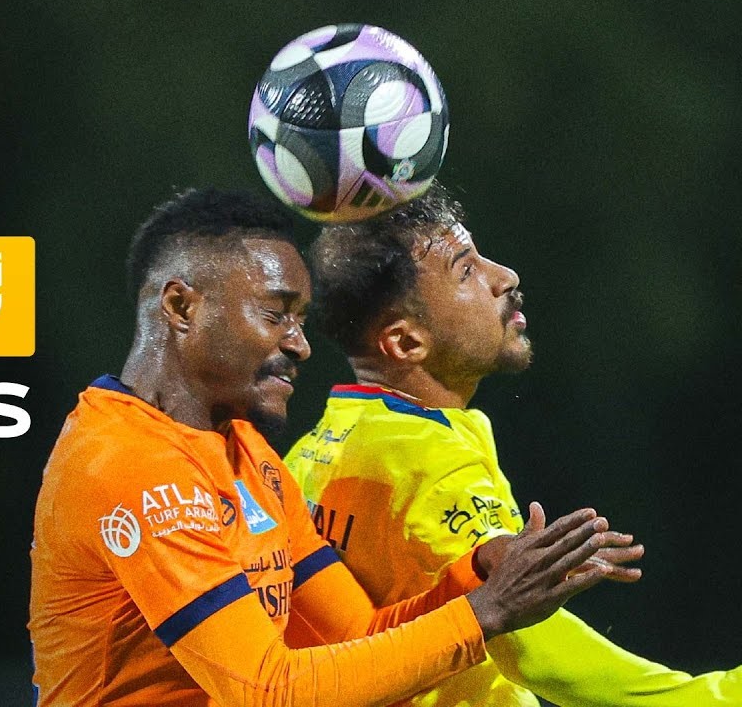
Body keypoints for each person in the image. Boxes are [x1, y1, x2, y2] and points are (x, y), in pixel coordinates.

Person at [28, 187, 632, 706]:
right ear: (182, 306)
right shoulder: (129, 462)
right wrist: (486, 612)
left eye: (300, 319)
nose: (300, 344)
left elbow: (357, 634)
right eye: (275, 315)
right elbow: (271, 692)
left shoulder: (245, 451)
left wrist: (476, 576)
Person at [284, 181, 741, 706]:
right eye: (466, 270)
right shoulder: (424, 460)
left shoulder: (317, 448)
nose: (504, 277)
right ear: (406, 341)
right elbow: (534, 650)